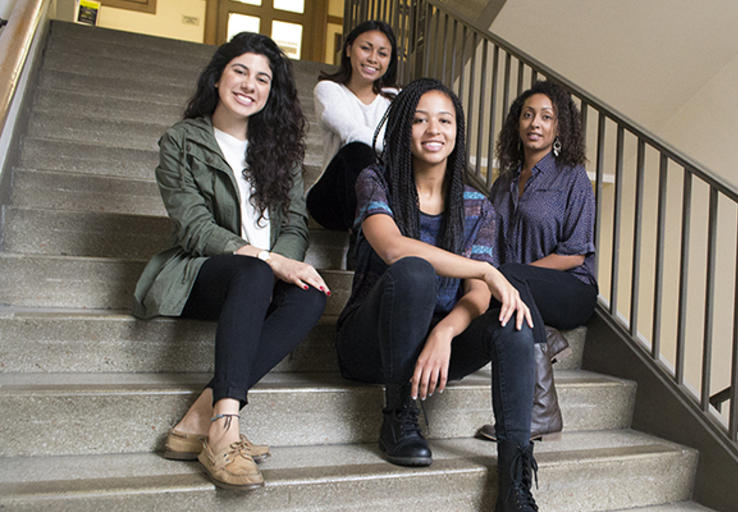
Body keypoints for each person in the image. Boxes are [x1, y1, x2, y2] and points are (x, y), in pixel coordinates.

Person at [132, 33, 328, 491]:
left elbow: (296, 226)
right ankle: (225, 427)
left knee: (311, 296)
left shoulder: (282, 153)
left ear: (271, 92)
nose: (249, 84)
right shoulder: (182, 141)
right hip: (202, 272)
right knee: (255, 269)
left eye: (263, 78)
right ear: (218, 75)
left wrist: (285, 264)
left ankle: (202, 415)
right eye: (240, 71)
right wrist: (269, 260)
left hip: (260, 277)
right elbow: (194, 229)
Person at [336, 78, 539, 511]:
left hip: (434, 350)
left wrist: (445, 332)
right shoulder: (377, 182)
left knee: (515, 323)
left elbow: (478, 298)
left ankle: (515, 480)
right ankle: (398, 415)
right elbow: (391, 247)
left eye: (444, 120)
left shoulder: (477, 205)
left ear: (457, 131)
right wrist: (485, 268)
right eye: (420, 119)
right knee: (414, 272)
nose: (434, 130)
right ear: (402, 130)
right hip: (369, 343)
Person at [477, 80, 598, 443]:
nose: (535, 123)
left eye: (547, 117)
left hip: (571, 289)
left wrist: (511, 276)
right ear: (518, 122)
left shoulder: (572, 178)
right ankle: (546, 338)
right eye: (528, 115)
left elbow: (574, 253)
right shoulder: (502, 184)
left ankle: (542, 412)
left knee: (506, 276)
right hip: (520, 293)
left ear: (559, 128)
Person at [306, 20, 398, 232]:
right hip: (331, 200)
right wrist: (396, 147)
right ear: (348, 49)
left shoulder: (394, 99)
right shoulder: (328, 90)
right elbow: (352, 133)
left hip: (383, 200)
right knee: (358, 151)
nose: (373, 59)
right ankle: (365, 240)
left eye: (383, 54)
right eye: (366, 48)